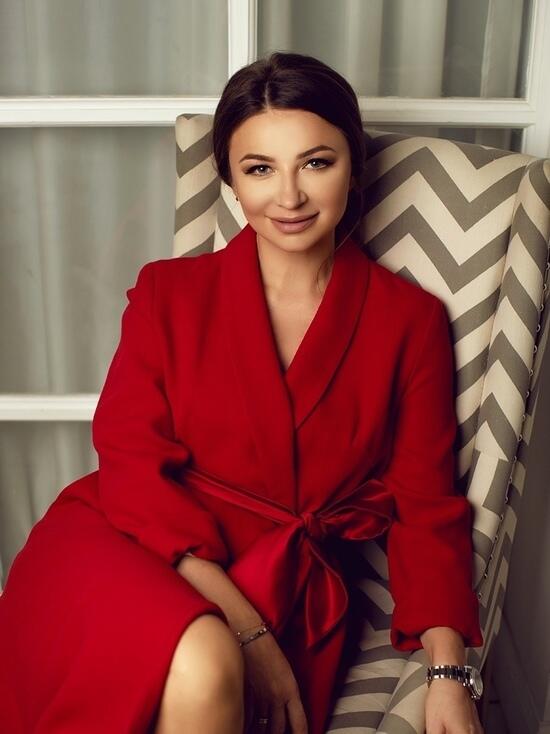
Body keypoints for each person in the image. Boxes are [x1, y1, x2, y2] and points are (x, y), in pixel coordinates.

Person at [0, 50, 485, 734]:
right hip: (136, 544)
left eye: (316, 163)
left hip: (288, 583)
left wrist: (448, 675)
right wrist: (247, 632)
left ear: (354, 167)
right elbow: (130, 463)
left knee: (203, 666)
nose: (288, 197)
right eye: (259, 169)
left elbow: (426, 509)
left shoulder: (409, 321)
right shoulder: (169, 294)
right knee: (206, 660)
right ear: (230, 181)